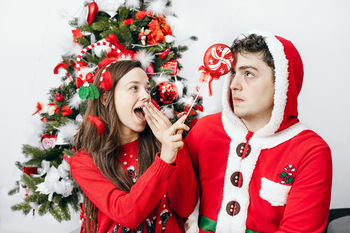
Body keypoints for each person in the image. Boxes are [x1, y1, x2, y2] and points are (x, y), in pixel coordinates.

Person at [185, 30, 332, 233]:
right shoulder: (204, 130)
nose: (234, 85)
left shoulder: (311, 151)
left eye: (248, 74)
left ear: (281, 83)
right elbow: (178, 208)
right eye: (234, 73)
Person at [71, 60, 198, 233]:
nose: (146, 96)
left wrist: (173, 146)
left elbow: (185, 207)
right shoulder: (84, 161)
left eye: (147, 88)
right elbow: (127, 214)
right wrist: (166, 159)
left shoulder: (164, 145)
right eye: (134, 88)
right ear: (105, 97)